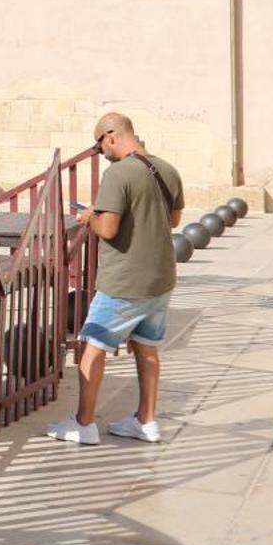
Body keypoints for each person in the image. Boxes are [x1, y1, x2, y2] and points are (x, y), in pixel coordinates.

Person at [44, 111, 183, 446]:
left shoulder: (118, 174)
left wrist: (89, 216)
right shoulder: (167, 169)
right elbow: (174, 220)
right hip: (161, 277)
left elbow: (108, 229)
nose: (100, 152)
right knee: (147, 349)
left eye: (99, 145)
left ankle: (83, 424)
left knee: (92, 348)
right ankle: (146, 420)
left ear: (111, 135)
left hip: (125, 281)